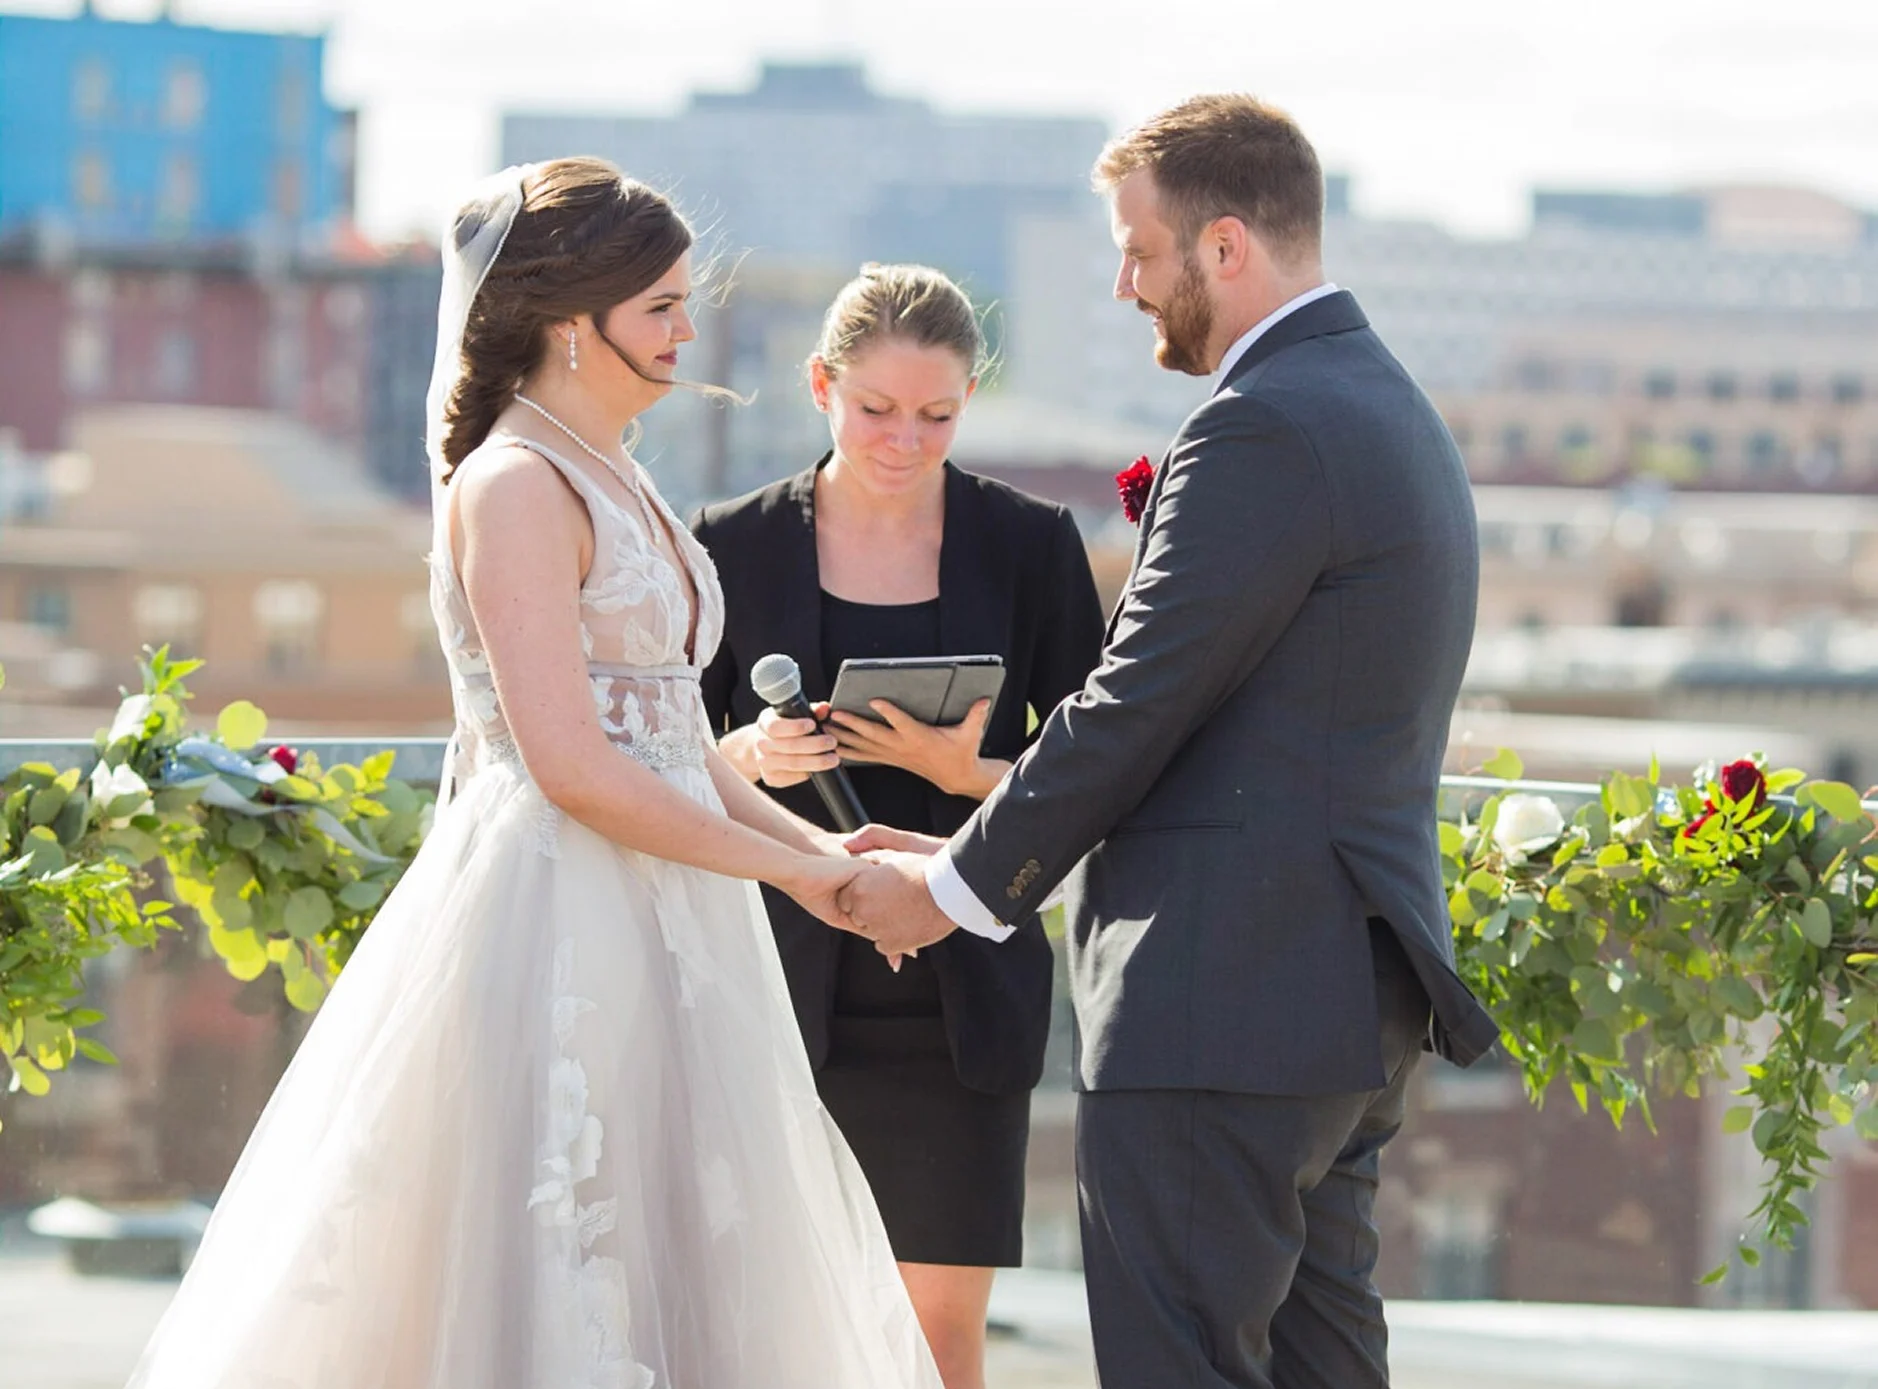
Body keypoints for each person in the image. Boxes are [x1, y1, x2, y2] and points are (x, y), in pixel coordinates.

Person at [126, 159, 941, 1389]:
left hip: (679, 911)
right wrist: (799, 878)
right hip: (565, 916)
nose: (686, 328)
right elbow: (570, 765)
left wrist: (832, 856)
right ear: (572, 320)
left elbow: (664, 732)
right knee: (555, 1247)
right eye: (661, 304)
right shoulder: (516, 484)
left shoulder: (619, 472)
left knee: (693, 1246)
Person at [841, 97, 1502, 1389]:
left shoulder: (1259, 423)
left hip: (1221, 1001)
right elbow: (1244, 733)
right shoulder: (1392, 410)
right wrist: (966, 839)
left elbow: (1134, 701)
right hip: (1335, 1008)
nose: (1123, 284)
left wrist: (949, 888)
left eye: (1138, 251)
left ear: (1223, 246)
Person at [692, 263, 1105, 1389]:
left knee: (936, 1337)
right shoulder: (729, 545)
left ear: (971, 398)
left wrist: (963, 770)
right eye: (875, 409)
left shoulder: (1030, 546)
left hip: (961, 994)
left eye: (937, 414)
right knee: (770, 1327)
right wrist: (749, 754)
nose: (904, 440)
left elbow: (1103, 768)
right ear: (820, 385)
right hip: (777, 989)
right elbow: (665, 756)